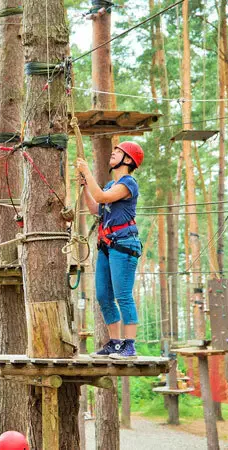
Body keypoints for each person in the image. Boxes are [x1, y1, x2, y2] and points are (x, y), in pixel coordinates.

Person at [77, 141, 144, 359]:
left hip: (124, 245)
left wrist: (87, 171)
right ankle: (115, 343)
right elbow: (96, 208)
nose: (112, 154)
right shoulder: (107, 185)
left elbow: (103, 198)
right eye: (113, 151)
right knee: (104, 296)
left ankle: (129, 345)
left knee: (123, 295)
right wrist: (86, 186)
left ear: (128, 159)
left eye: (118, 152)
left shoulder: (128, 184)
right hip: (107, 245)